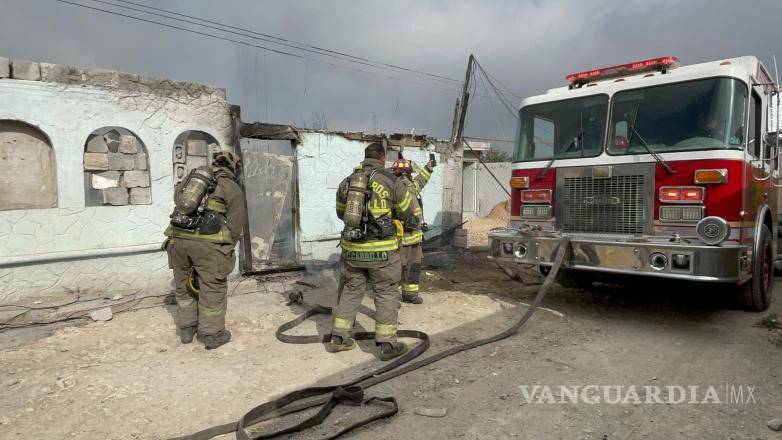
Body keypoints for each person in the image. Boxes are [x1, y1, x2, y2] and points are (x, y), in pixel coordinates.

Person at [331, 142, 417, 361]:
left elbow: (342, 214)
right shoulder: (391, 180)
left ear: (365, 157)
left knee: (351, 290)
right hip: (383, 252)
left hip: (353, 250)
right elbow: (408, 212)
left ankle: (339, 338)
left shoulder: (347, 182)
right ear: (382, 159)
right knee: (386, 293)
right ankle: (387, 345)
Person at [163, 150, 247, 350]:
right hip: (208, 246)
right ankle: (211, 334)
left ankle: (186, 329)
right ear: (233, 166)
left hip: (177, 241)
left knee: (183, 287)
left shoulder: (192, 179)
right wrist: (226, 246)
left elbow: (178, 199)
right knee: (212, 288)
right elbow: (236, 223)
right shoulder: (230, 186)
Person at [389, 157, 434, 304]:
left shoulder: (411, 185)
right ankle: (391, 298)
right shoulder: (393, 188)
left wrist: (429, 167)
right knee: (397, 268)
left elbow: (422, 179)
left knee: (413, 266)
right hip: (401, 236)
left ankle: (410, 293)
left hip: (415, 236)